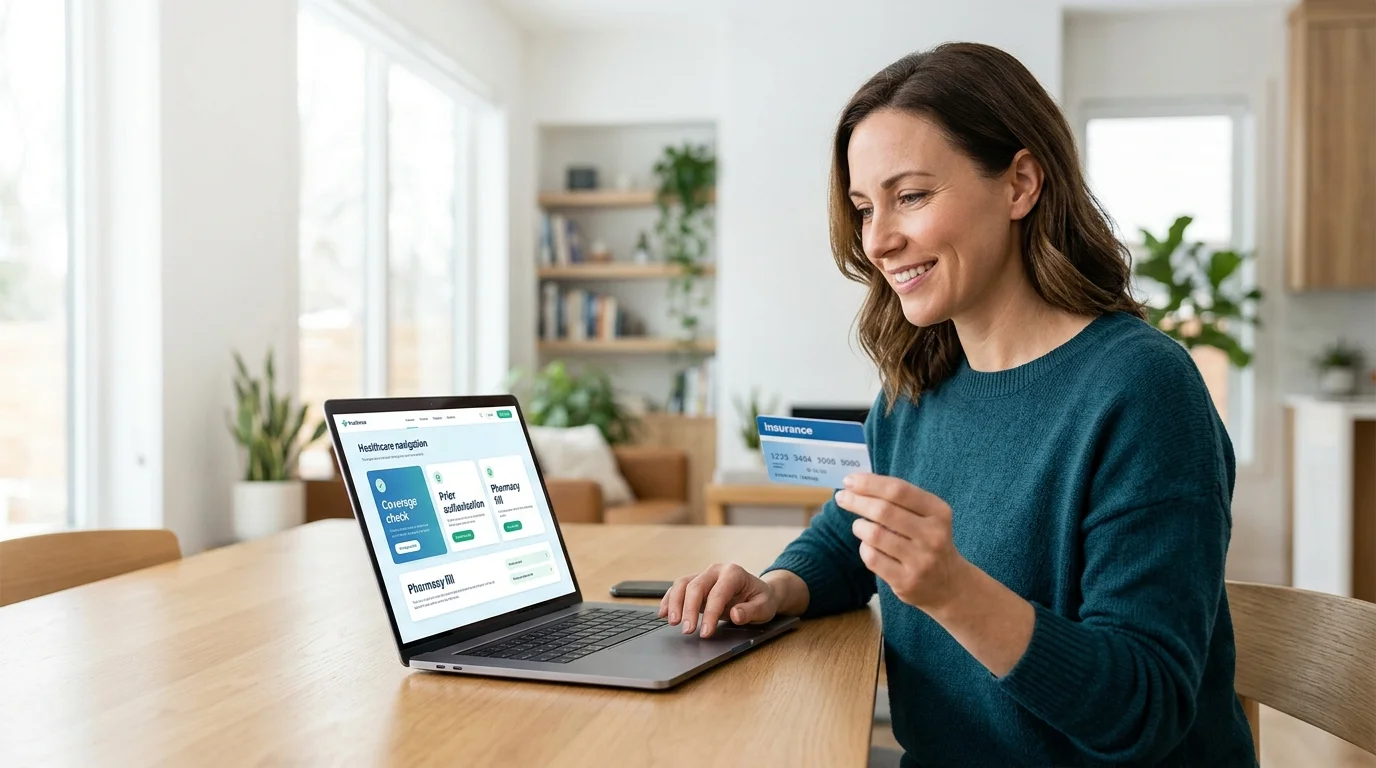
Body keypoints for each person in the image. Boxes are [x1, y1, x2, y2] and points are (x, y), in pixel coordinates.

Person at [659, 43, 1258, 767]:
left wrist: (953, 592)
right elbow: (849, 537)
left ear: (1020, 184)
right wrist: (776, 587)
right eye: (863, 207)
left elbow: (1145, 709)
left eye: (910, 196)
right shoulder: (919, 382)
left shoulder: (1144, 390)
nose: (878, 240)